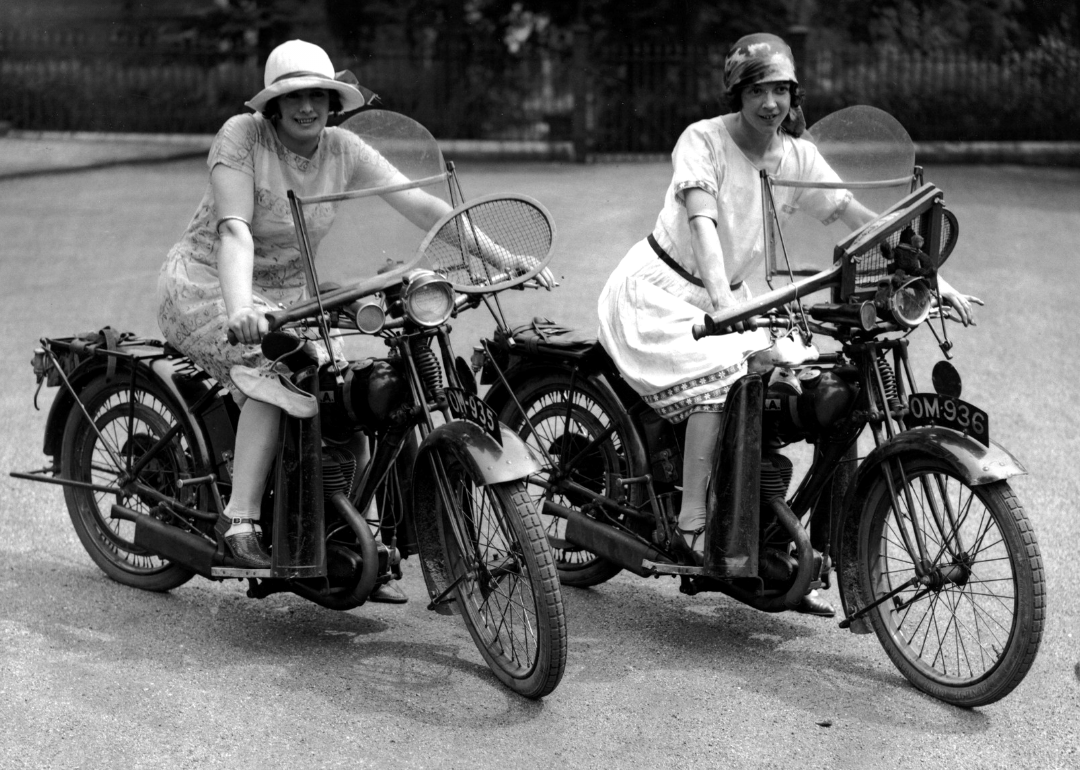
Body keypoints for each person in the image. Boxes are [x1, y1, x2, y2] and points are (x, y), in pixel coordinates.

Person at [596, 33, 981, 616]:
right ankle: (693, 522)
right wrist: (723, 304)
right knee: (726, 374)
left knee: (816, 387)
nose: (770, 102)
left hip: (733, 298)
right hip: (667, 291)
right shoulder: (702, 139)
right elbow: (701, 219)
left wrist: (932, 278)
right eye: (758, 90)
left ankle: (791, 551)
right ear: (738, 93)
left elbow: (854, 217)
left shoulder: (795, 154)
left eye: (780, 89)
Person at [158, 40, 551, 589]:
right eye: (293, 96)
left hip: (295, 296)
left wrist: (508, 258)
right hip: (212, 283)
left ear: (332, 99)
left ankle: (345, 528)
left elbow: (424, 206)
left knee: (349, 392)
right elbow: (234, 232)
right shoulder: (242, 137)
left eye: (317, 95)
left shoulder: (343, 148)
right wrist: (241, 306)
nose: (306, 107)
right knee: (278, 378)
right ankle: (240, 520)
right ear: (272, 103)